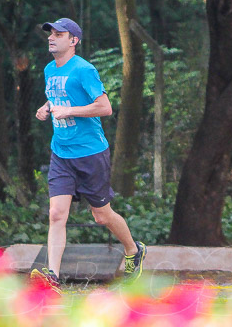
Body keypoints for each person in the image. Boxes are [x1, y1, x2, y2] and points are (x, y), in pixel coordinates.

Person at [31, 17, 146, 290]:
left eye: (59, 34)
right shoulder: (49, 69)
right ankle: (53, 278)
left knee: (101, 215)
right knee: (57, 214)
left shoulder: (84, 70)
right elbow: (58, 97)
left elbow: (104, 107)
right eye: (50, 33)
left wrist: (69, 111)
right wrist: (46, 107)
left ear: (73, 41)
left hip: (90, 153)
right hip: (61, 152)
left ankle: (133, 249)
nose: (51, 37)